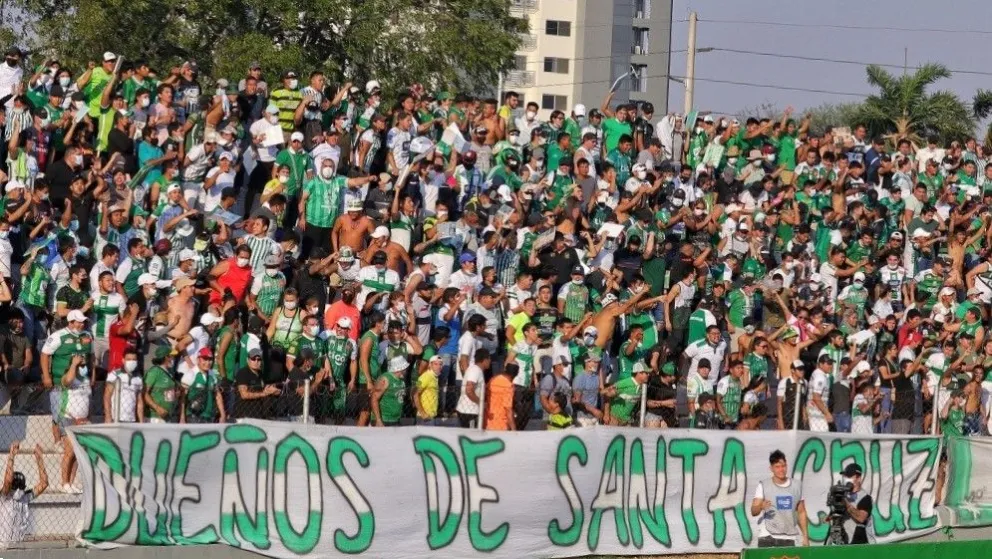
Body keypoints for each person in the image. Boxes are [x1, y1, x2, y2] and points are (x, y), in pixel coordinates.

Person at [751, 449, 809, 547]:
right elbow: (753, 511)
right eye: (777, 467)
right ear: (771, 468)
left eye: (783, 466)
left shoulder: (797, 485)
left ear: (786, 466)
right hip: (768, 536)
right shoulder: (763, 485)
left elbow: (801, 512)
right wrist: (761, 506)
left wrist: (805, 537)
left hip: (789, 537)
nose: (781, 469)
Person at [0, 442, 48, 548]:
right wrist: (11, 455)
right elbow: (7, 481)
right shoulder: (4, 498)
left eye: (20, 488)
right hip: (2, 546)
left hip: (19, 546)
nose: (17, 491)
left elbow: (44, 483)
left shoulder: (24, 498)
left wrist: (39, 459)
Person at [840, 463, 873, 545]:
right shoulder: (843, 495)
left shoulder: (865, 497)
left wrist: (846, 503)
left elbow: (861, 518)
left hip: (860, 542)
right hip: (844, 540)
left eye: (849, 476)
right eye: (845, 476)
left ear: (858, 478)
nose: (846, 479)